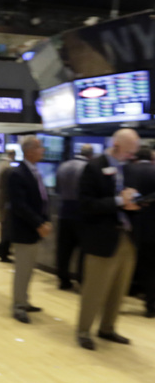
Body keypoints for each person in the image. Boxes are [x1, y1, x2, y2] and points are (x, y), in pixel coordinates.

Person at [76, 128, 141, 350]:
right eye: (130, 151)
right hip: (102, 239)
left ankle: (108, 328)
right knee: (95, 289)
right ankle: (83, 331)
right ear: (117, 146)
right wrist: (118, 202)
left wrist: (135, 203)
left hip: (126, 236)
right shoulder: (93, 167)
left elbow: (126, 199)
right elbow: (86, 205)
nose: (132, 155)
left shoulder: (127, 169)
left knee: (119, 288)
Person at [8, 136, 52, 323]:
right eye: (40, 147)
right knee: (23, 270)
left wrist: (45, 220)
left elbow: (42, 199)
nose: (43, 150)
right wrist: (38, 224)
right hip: (24, 230)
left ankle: (24, 301)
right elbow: (20, 205)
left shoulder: (35, 171)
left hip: (34, 229)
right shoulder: (18, 174)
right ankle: (18, 306)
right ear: (30, 151)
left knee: (29, 269)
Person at [54, 144, 93, 290]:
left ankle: (63, 279)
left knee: (64, 249)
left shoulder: (63, 166)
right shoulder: (87, 168)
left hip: (64, 211)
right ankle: (81, 279)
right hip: (81, 213)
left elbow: (57, 189)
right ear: (90, 155)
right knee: (83, 250)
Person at [124, 146, 155, 317]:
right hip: (152, 228)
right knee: (151, 267)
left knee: (134, 264)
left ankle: (128, 293)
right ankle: (151, 304)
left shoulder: (129, 171)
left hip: (134, 226)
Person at [0, 149, 16, 262]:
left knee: (4, 225)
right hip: (6, 200)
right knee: (6, 226)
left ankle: (3, 249)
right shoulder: (8, 167)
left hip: (0, 199)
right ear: (12, 155)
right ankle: (1, 251)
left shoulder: (0, 165)